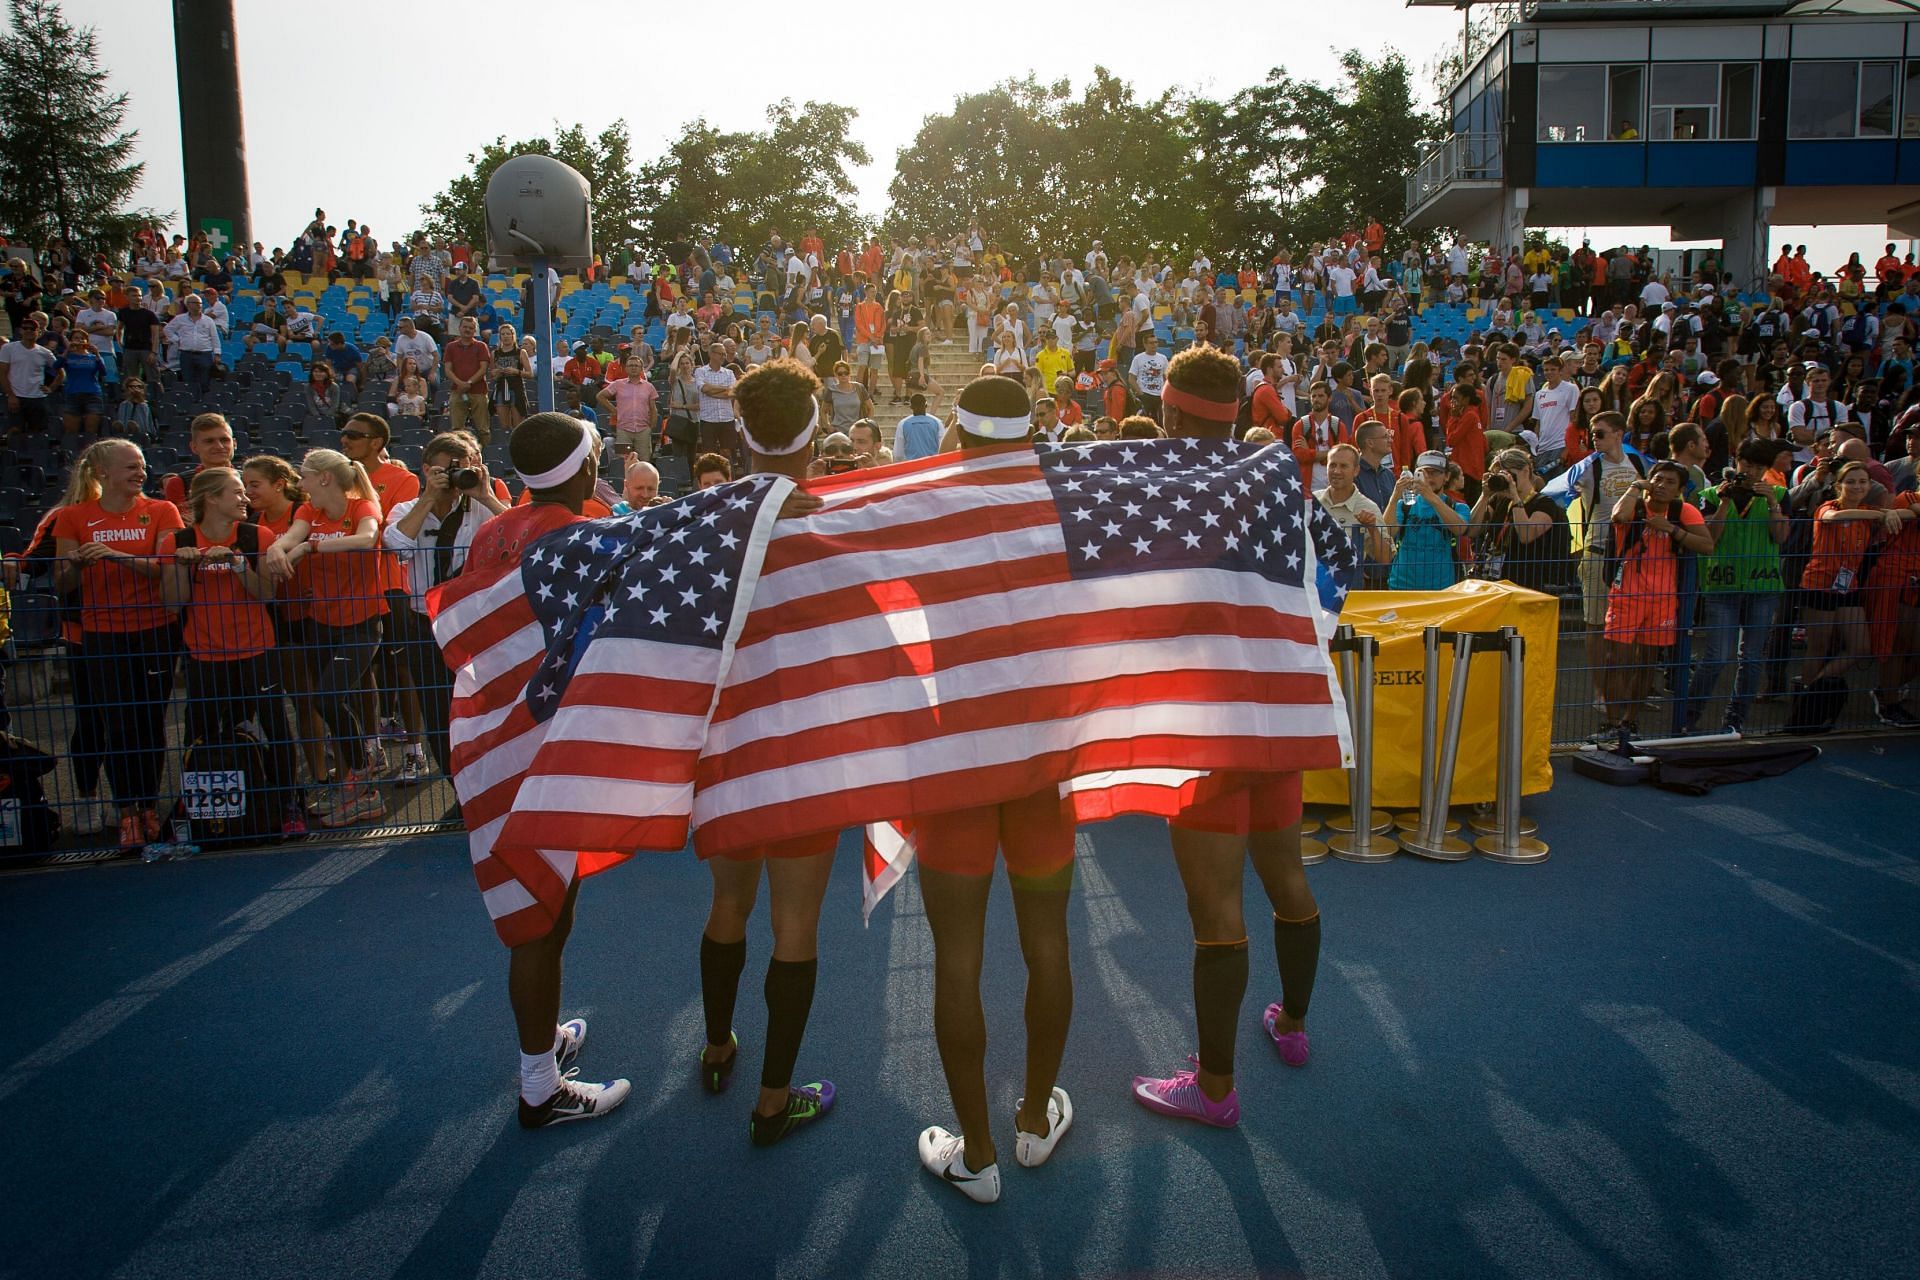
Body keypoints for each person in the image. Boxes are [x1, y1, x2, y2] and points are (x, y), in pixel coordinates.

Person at [1129, 343, 1358, 1130]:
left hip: (1207, 726)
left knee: (1216, 909)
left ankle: (1215, 1088)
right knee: (1288, 880)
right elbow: (1339, 566)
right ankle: (1290, 1027)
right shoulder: (1275, 482)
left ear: (1168, 410)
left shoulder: (1151, 489)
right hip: (1279, 712)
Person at [915, 374, 1079, 1204]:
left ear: (956, 434)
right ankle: (1030, 1118)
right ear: (1033, 430)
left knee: (956, 957)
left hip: (953, 757)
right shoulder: (1073, 501)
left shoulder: (915, 507)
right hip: (1043, 757)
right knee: (1047, 941)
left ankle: (976, 1151)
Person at [445, 412, 629, 1129]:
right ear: (583, 471)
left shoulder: (496, 529)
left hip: (489, 729)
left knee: (551, 896)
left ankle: (542, 1041)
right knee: (538, 918)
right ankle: (539, 1087)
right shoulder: (581, 539)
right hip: (536, 741)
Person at [696, 358, 840, 1148]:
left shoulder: (698, 520)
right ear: (815, 430)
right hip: (804, 760)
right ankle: (775, 1099)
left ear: (740, 430)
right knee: (796, 927)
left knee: (727, 906)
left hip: (726, 754)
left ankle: (718, 1049)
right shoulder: (836, 526)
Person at [51, 440, 185, 849]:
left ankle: (148, 805)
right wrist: (75, 563)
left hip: (156, 630)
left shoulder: (163, 511)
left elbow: (166, 571)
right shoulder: (73, 517)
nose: (139, 472)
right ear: (102, 473)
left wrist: (113, 555)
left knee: (150, 724)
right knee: (119, 724)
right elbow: (61, 582)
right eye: (130, 466)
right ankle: (127, 810)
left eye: (142, 465)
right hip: (102, 632)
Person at [160, 467, 304, 833]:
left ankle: (288, 803)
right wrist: (181, 565)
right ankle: (206, 813)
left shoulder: (257, 535)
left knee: (276, 728)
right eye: (237, 492)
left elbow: (266, 594)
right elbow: (172, 603)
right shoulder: (176, 541)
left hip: (257, 649)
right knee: (200, 732)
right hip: (205, 654)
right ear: (211, 499)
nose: (245, 499)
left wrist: (240, 565)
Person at [260, 449, 388, 827]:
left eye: (305, 477)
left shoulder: (363, 506)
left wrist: (307, 548)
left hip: (362, 622)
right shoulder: (307, 513)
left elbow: (367, 539)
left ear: (325, 478)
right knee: (328, 702)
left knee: (328, 697)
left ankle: (364, 780)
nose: (301, 484)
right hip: (321, 622)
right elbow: (288, 539)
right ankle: (356, 786)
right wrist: (275, 548)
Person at [382, 431, 508, 775]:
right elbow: (397, 546)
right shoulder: (407, 509)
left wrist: (484, 495)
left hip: (473, 623)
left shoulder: (481, 507)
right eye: (446, 471)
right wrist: (427, 499)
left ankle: (484, 779)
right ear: (426, 470)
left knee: (483, 707)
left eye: (462, 469)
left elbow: (518, 532)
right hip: (425, 623)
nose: (455, 478)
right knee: (437, 712)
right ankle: (455, 783)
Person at [1598, 461, 1713, 737]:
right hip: (1627, 594)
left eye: (1670, 482)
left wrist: (1673, 529)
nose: (1662, 486)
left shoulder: (1683, 511)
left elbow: (1707, 545)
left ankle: (1630, 720)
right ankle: (1612, 723)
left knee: (1646, 663)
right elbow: (1618, 517)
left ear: (1680, 489)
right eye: (1658, 479)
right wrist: (1636, 487)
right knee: (1617, 661)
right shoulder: (1636, 504)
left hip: (1662, 598)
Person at [1691, 440, 1789, 733]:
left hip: (1763, 585)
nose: (1752, 472)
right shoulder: (1710, 494)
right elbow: (1710, 538)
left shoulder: (1781, 494)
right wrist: (1724, 502)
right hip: (1722, 584)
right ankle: (1687, 718)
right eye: (1747, 465)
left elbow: (1781, 537)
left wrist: (1772, 503)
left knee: (1752, 658)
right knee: (1717, 656)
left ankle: (1736, 720)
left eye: (1760, 467)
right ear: (1736, 461)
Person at [1467, 448, 1567, 592]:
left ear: (1526, 471)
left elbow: (1526, 535)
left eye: (1509, 475)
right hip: (1495, 581)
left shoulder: (1544, 503)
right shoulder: (1499, 500)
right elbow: (1472, 529)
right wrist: (1484, 496)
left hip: (1527, 581)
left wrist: (1515, 497)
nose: (1506, 481)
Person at [1385, 450, 1470, 590]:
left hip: (1440, 587)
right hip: (1401, 585)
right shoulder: (1404, 505)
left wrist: (1429, 495)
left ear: (1447, 476)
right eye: (1423, 473)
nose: (1429, 478)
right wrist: (1394, 497)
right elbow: (1387, 532)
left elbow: (1460, 529)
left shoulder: (1457, 506)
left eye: (1435, 473)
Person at [598, 355, 658, 462]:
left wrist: (651, 427)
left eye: (636, 365)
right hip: (623, 430)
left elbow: (653, 409)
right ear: (626, 368)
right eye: (630, 365)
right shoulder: (617, 384)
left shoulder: (649, 387)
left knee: (644, 461)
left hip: (643, 430)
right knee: (623, 461)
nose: (633, 368)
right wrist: (613, 410)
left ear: (641, 369)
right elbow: (600, 396)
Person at [895, 393, 942, 461]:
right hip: (932, 465)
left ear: (911, 407)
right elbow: (942, 447)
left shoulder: (903, 424)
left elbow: (898, 454)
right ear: (926, 405)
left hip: (912, 466)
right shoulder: (937, 422)